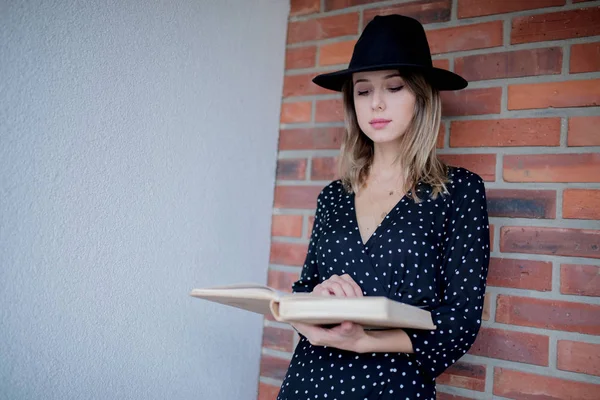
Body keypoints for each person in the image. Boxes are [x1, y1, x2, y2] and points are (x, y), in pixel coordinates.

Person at [275, 14, 490, 400]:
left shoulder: (459, 192)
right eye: (362, 91)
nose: (376, 103)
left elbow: (460, 321)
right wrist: (311, 307)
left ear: (421, 97)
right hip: (309, 382)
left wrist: (364, 341)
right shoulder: (333, 196)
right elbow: (304, 287)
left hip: (393, 386)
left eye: (394, 87)